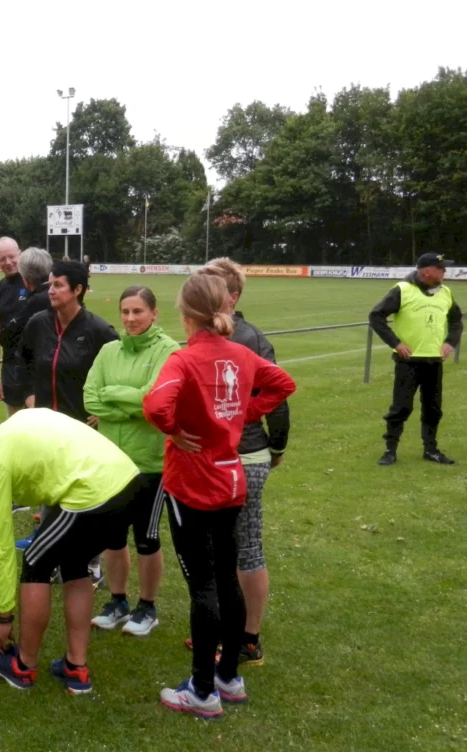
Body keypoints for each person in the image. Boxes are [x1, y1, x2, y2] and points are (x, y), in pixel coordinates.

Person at [143, 273, 296, 719]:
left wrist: (174, 429)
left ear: (186, 314)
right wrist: (241, 414)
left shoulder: (184, 359)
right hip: (231, 480)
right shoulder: (241, 354)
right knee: (227, 578)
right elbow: (282, 384)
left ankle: (203, 691)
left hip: (192, 482)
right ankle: (229, 675)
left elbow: (154, 406)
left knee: (203, 586)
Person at [0, 409, 145, 695]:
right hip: (129, 483)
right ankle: (77, 668)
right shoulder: (19, 423)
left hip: (92, 492)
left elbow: (1, 548)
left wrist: (5, 618)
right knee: (73, 563)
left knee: (35, 561)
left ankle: (22, 667)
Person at [198, 258, 291, 665]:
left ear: (232, 296)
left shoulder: (250, 338)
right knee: (220, 549)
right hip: (211, 457)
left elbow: (278, 394)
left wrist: (275, 447)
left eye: (212, 288)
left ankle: (248, 639)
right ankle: (225, 628)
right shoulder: (203, 337)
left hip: (244, 457)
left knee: (246, 547)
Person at [84, 286, 180, 636]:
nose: (130, 318)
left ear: (154, 313)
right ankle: (118, 601)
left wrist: (116, 399)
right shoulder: (109, 350)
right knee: (112, 537)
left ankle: (148, 607)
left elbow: (156, 402)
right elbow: (91, 399)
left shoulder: (169, 350)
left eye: (138, 311)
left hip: (150, 463)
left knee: (147, 538)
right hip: (111, 461)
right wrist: (133, 405)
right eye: (125, 311)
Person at [18, 260, 118, 556]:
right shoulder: (39, 323)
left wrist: (102, 410)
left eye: (58, 285)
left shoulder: (99, 330)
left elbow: (117, 373)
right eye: (50, 284)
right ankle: (49, 548)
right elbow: (21, 362)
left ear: (78, 290)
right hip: (47, 425)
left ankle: (91, 561)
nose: (51, 290)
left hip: (83, 428)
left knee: (83, 494)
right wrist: (28, 395)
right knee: (50, 488)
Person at [369, 252, 461, 466]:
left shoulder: (446, 292)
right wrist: (396, 343)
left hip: (434, 361)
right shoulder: (402, 290)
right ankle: (390, 450)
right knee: (401, 407)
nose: (444, 271)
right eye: (441, 268)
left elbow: (456, 321)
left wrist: (450, 342)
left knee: (433, 407)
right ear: (427, 271)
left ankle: (431, 449)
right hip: (408, 362)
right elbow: (376, 315)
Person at [0, 237, 27, 416]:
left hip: (41, 367)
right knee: (15, 425)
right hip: (11, 368)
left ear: (20, 253)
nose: (8, 262)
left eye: (11, 256)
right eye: (2, 259)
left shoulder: (38, 282)